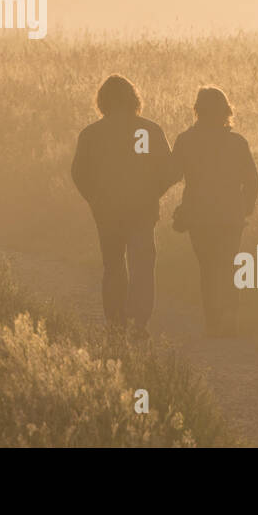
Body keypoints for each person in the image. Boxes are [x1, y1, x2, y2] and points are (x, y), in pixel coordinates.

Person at [70, 75, 177, 337]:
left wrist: (94, 199)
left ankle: (115, 323)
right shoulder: (150, 130)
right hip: (142, 209)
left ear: (102, 101)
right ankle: (139, 324)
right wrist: (154, 193)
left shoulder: (91, 133)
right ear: (134, 99)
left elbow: (79, 173)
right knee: (142, 266)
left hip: (107, 211)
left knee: (114, 266)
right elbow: (170, 170)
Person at [170, 86, 258, 337]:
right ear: (225, 111)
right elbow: (252, 181)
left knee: (208, 267)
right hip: (231, 216)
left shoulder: (185, 140)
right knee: (229, 264)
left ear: (197, 110)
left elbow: (172, 174)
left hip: (199, 216)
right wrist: (245, 208)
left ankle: (213, 321)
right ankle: (230, 318)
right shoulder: (237, 142)